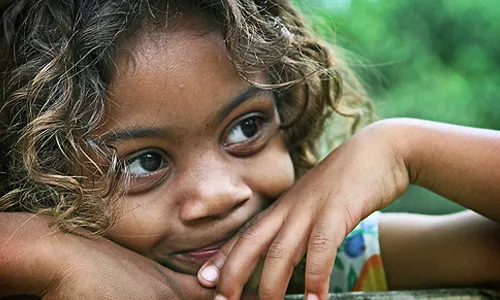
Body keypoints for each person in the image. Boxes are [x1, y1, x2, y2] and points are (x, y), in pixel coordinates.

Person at [0, 0, 499, 299]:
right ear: (36, 173)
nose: (219, 196)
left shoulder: (311, 262)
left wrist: (405, 148)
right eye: (144, 162)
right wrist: (44, 253)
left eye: (246, 128)